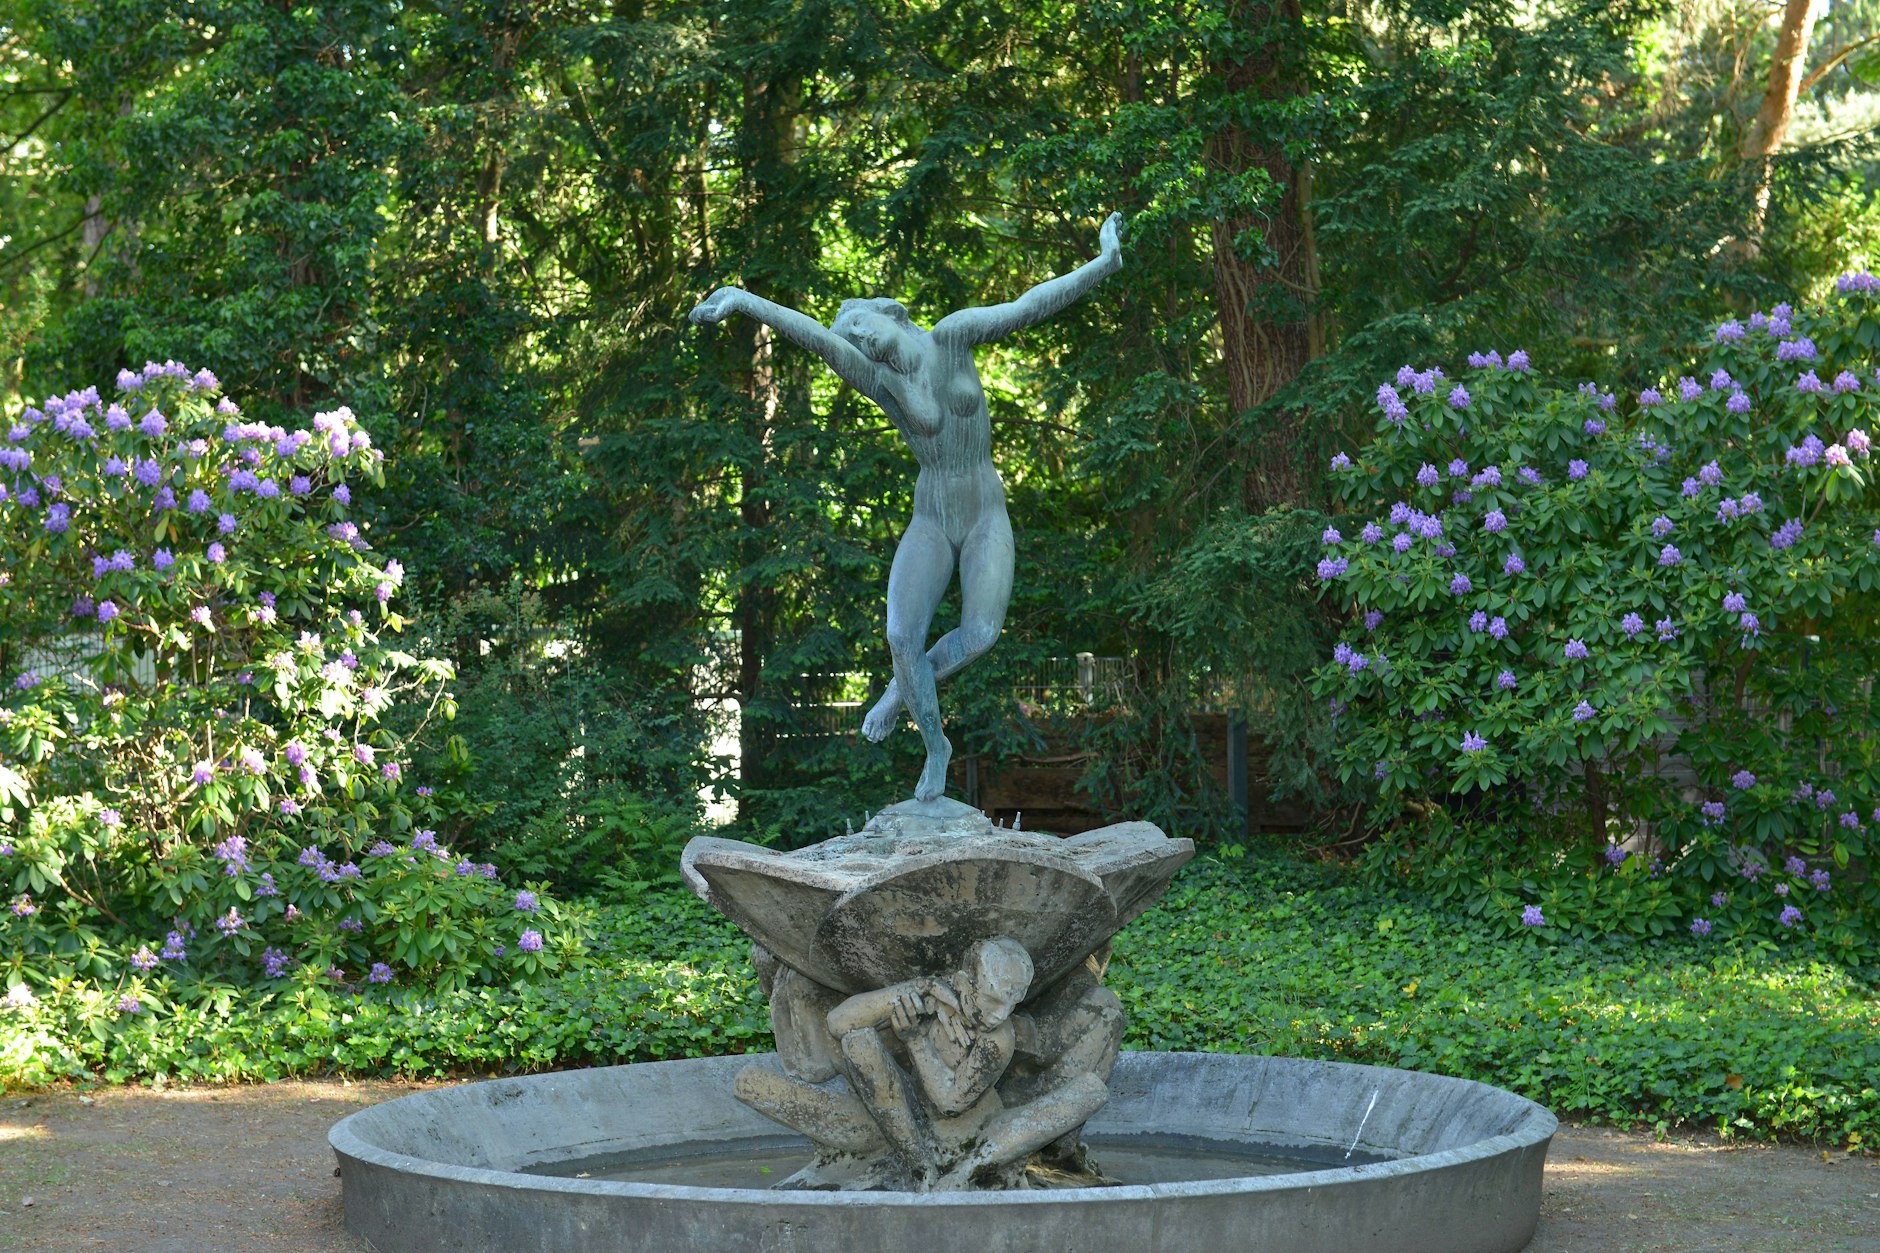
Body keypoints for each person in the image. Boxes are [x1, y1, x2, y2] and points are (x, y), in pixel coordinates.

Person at [689, 215, 1125, 802]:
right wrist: (744, 301)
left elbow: (1029, 304)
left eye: (864, 329)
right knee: (900, 635)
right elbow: (815, 338)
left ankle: (899, 693)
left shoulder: (952, 336)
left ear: (891, 315)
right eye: (855, 341)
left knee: (981, 634)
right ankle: (936, 747)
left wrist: (1104, 261)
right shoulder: (882, 382)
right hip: (931, 517)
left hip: (983, 510)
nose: (862, 343)